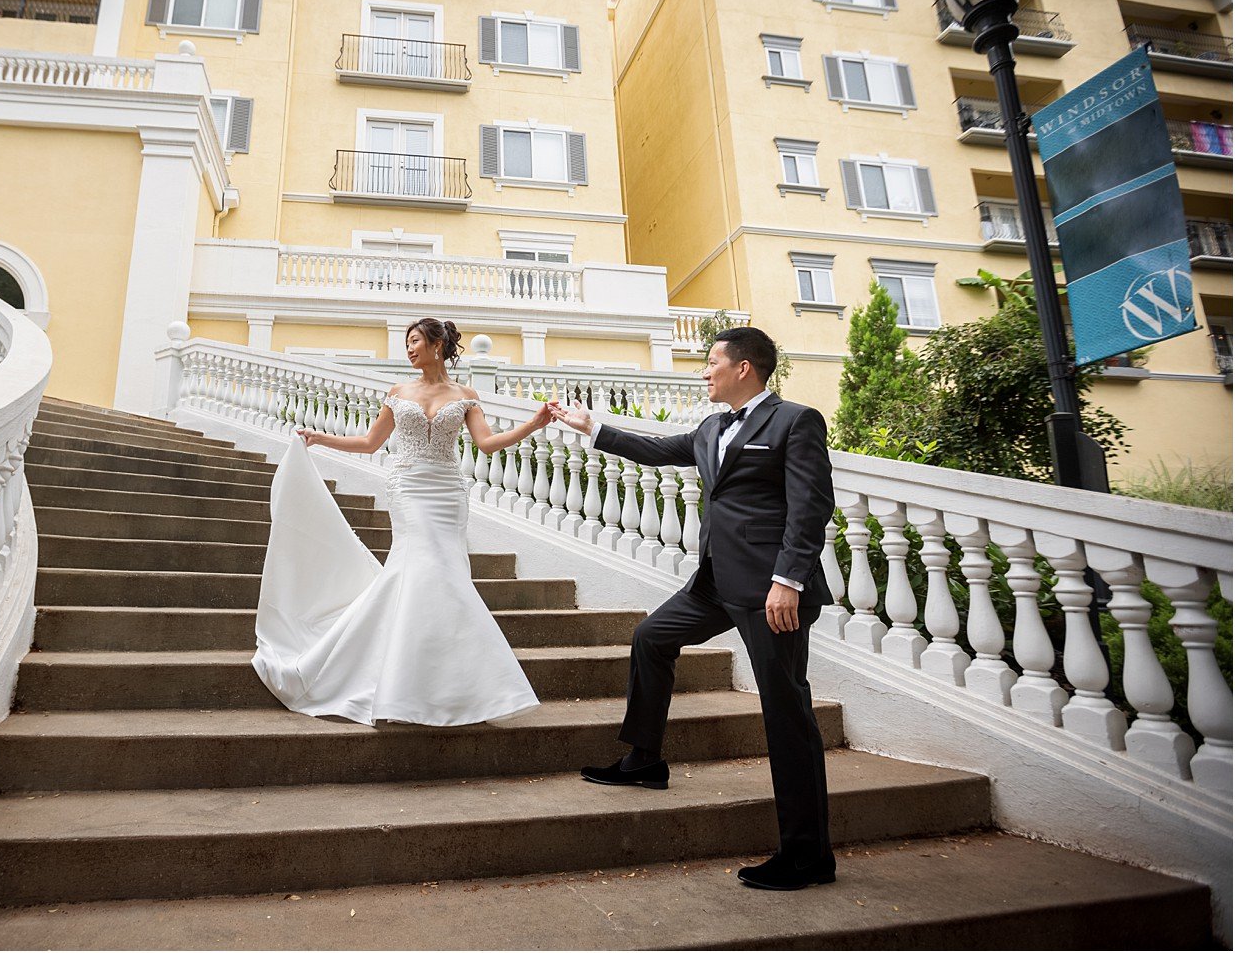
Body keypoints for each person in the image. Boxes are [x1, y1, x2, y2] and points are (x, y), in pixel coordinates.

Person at [549, 326, 837, 892]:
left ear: (744, 369)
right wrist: (592, 427)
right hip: (714, 581)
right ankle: (644, 761)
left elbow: (810, 506)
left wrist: (788, 580)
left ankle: (808, 856)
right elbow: (659, 451)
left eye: (711, 363)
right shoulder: (711, 426)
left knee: (786, 714)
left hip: (771, 590)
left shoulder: (795, 421)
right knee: (652, 637)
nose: (704, 371)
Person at [253, 317, 554, 726]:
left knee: (445, 575)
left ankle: (445, 684)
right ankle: (410, 685)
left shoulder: (465, 394)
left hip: (447, 492)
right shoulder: (399, 392)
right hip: (409, 487)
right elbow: (370, 442)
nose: (409, 349)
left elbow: (486, 444)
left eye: (415, 342)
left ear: (437, 345)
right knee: (425, 568)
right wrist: (320, 438)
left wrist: (534, 424)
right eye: (407, 343)